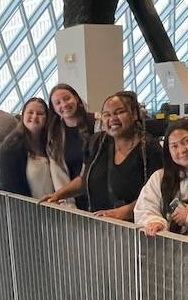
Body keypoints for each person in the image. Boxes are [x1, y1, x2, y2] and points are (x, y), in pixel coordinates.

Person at [42, 91, 162, 219]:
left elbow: (155, 194)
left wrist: (122, 212)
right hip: (99, 223)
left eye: (119, 112)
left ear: (134, 114)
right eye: (107, 114)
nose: (112, 118)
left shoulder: (149, 149)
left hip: (135, 227)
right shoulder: (96, 142)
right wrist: (58, 194)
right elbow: (83, 179)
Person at [0, 97, 69, 199]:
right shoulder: (10, 148)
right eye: (30, 112)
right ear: (23, 115)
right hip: (27, 210)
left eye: (40, 113)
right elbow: (11, 189)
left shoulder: (51, 143)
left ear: (46, 118)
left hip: (53, 206)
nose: (35, 116)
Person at [46, 83, 95, 197]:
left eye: (67, 98)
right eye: (58, 103)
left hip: (99, 195)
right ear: (54, 109)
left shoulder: (97, 124)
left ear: (76, 98)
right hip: (72, 198)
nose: (64, 104)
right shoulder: (55, 137)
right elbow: (58, 174)